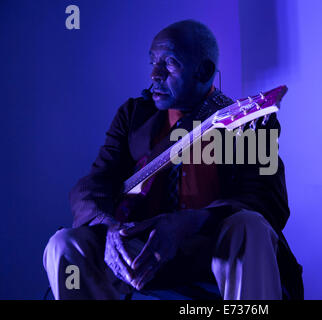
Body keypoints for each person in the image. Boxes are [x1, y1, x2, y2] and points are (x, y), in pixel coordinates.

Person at [43, 19, 304, 300]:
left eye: (169, 63)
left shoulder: (250, 122)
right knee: (64, 244)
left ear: (203, 71)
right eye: (152, 62)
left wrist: (190, 222)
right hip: (143, 253)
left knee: (249, 225)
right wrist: (109, 228)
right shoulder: (133, 115)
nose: (154, 74)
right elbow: (95, 183)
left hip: (212, 253)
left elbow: (269, 202)